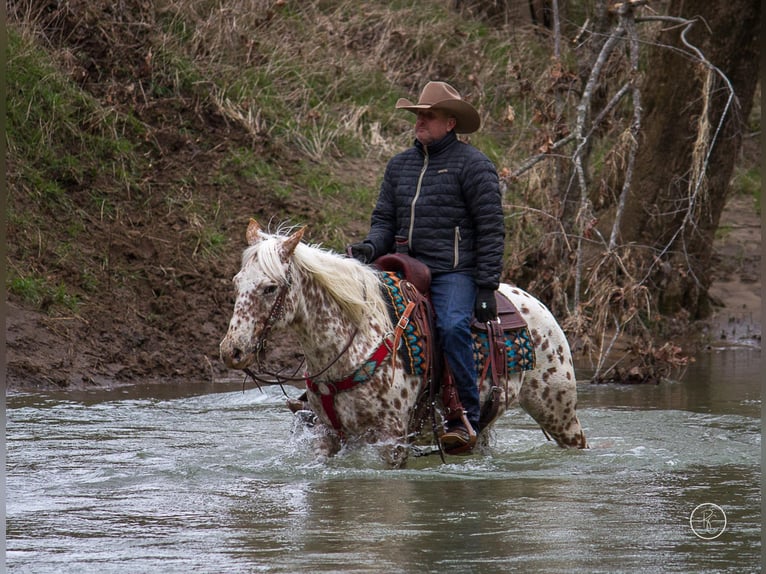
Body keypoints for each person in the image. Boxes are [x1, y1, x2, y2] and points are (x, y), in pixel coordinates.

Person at [349, 81, 505, 454]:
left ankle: (464, 416)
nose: (420, 121)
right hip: (402, 267)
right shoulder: (400, 165)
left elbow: (491, 229)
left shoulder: (474, 166)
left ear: (450, 123)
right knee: (354, 313)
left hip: (456, 272)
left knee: (452, 327)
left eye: (428, 115)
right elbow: (385, 220)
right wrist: (371, 245)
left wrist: (485, 286)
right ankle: (331, 403)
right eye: (417, 114)